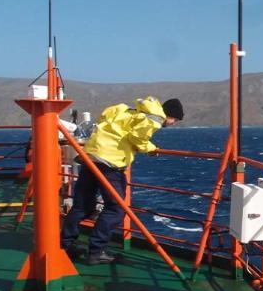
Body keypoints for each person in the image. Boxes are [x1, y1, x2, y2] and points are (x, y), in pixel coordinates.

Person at [61, 96, 184, 265]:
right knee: (115, 209)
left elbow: (105, 118)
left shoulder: (128, 110)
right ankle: (96, 251)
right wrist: (152, 149)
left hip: (90, 157)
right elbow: (138, 139)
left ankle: (65, 246)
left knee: (82, 205)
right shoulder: (154, 119)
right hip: (109, 163)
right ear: (170, 115)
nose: (173, 123)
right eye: (175, 120)